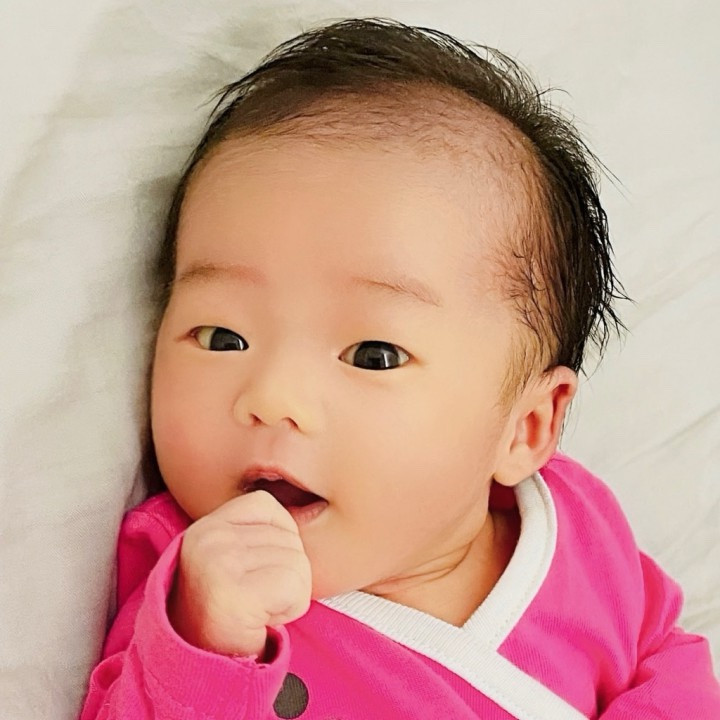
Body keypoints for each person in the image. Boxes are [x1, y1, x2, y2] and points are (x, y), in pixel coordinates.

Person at [79, 17, 720, 720]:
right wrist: (206, 652)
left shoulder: (577, 526)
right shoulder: (190, 588)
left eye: (373, 356)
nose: (272, 395)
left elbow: (667, 654)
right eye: (223, 337)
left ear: (526, 427)